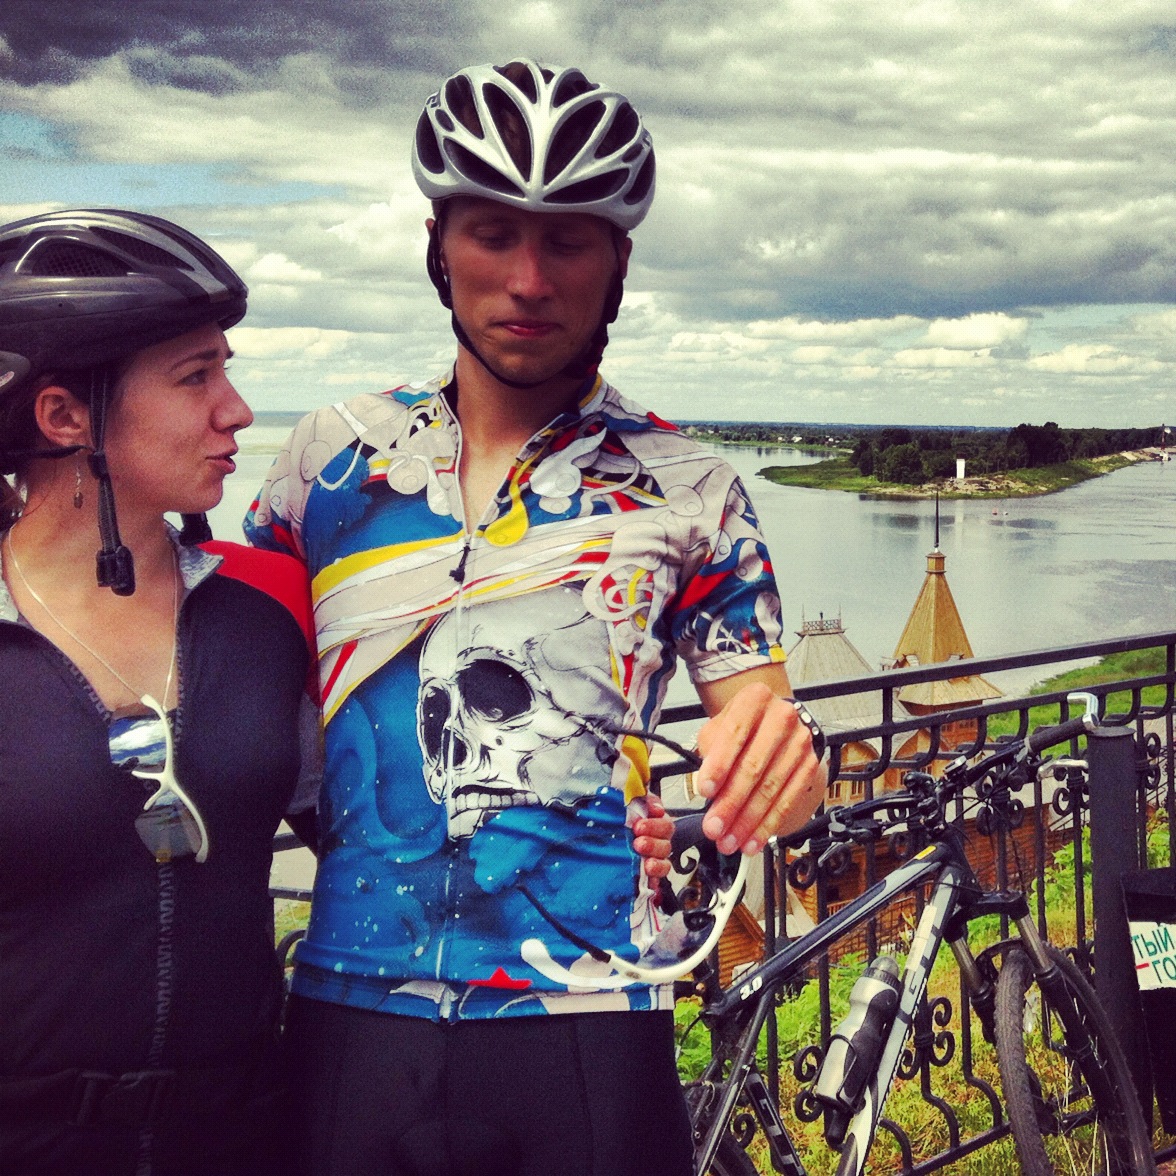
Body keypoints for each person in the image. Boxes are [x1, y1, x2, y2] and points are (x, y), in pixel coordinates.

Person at [246, 59, 826, 1176]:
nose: (528, 279)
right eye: (493, 233)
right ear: (438, 246)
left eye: (567, 242)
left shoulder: (690, 489)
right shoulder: (328, 462)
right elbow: (232, 683)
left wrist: (783, 766)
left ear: (618, 266)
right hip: (350, 1001)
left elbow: (766, 736)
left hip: (589, 1013)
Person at [0, 209, 321, 1176]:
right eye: (195, 377)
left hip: (241, 1138)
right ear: (64, 418)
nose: (238, 411)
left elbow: (370, 834)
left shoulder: (262, 622)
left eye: (227, 370)